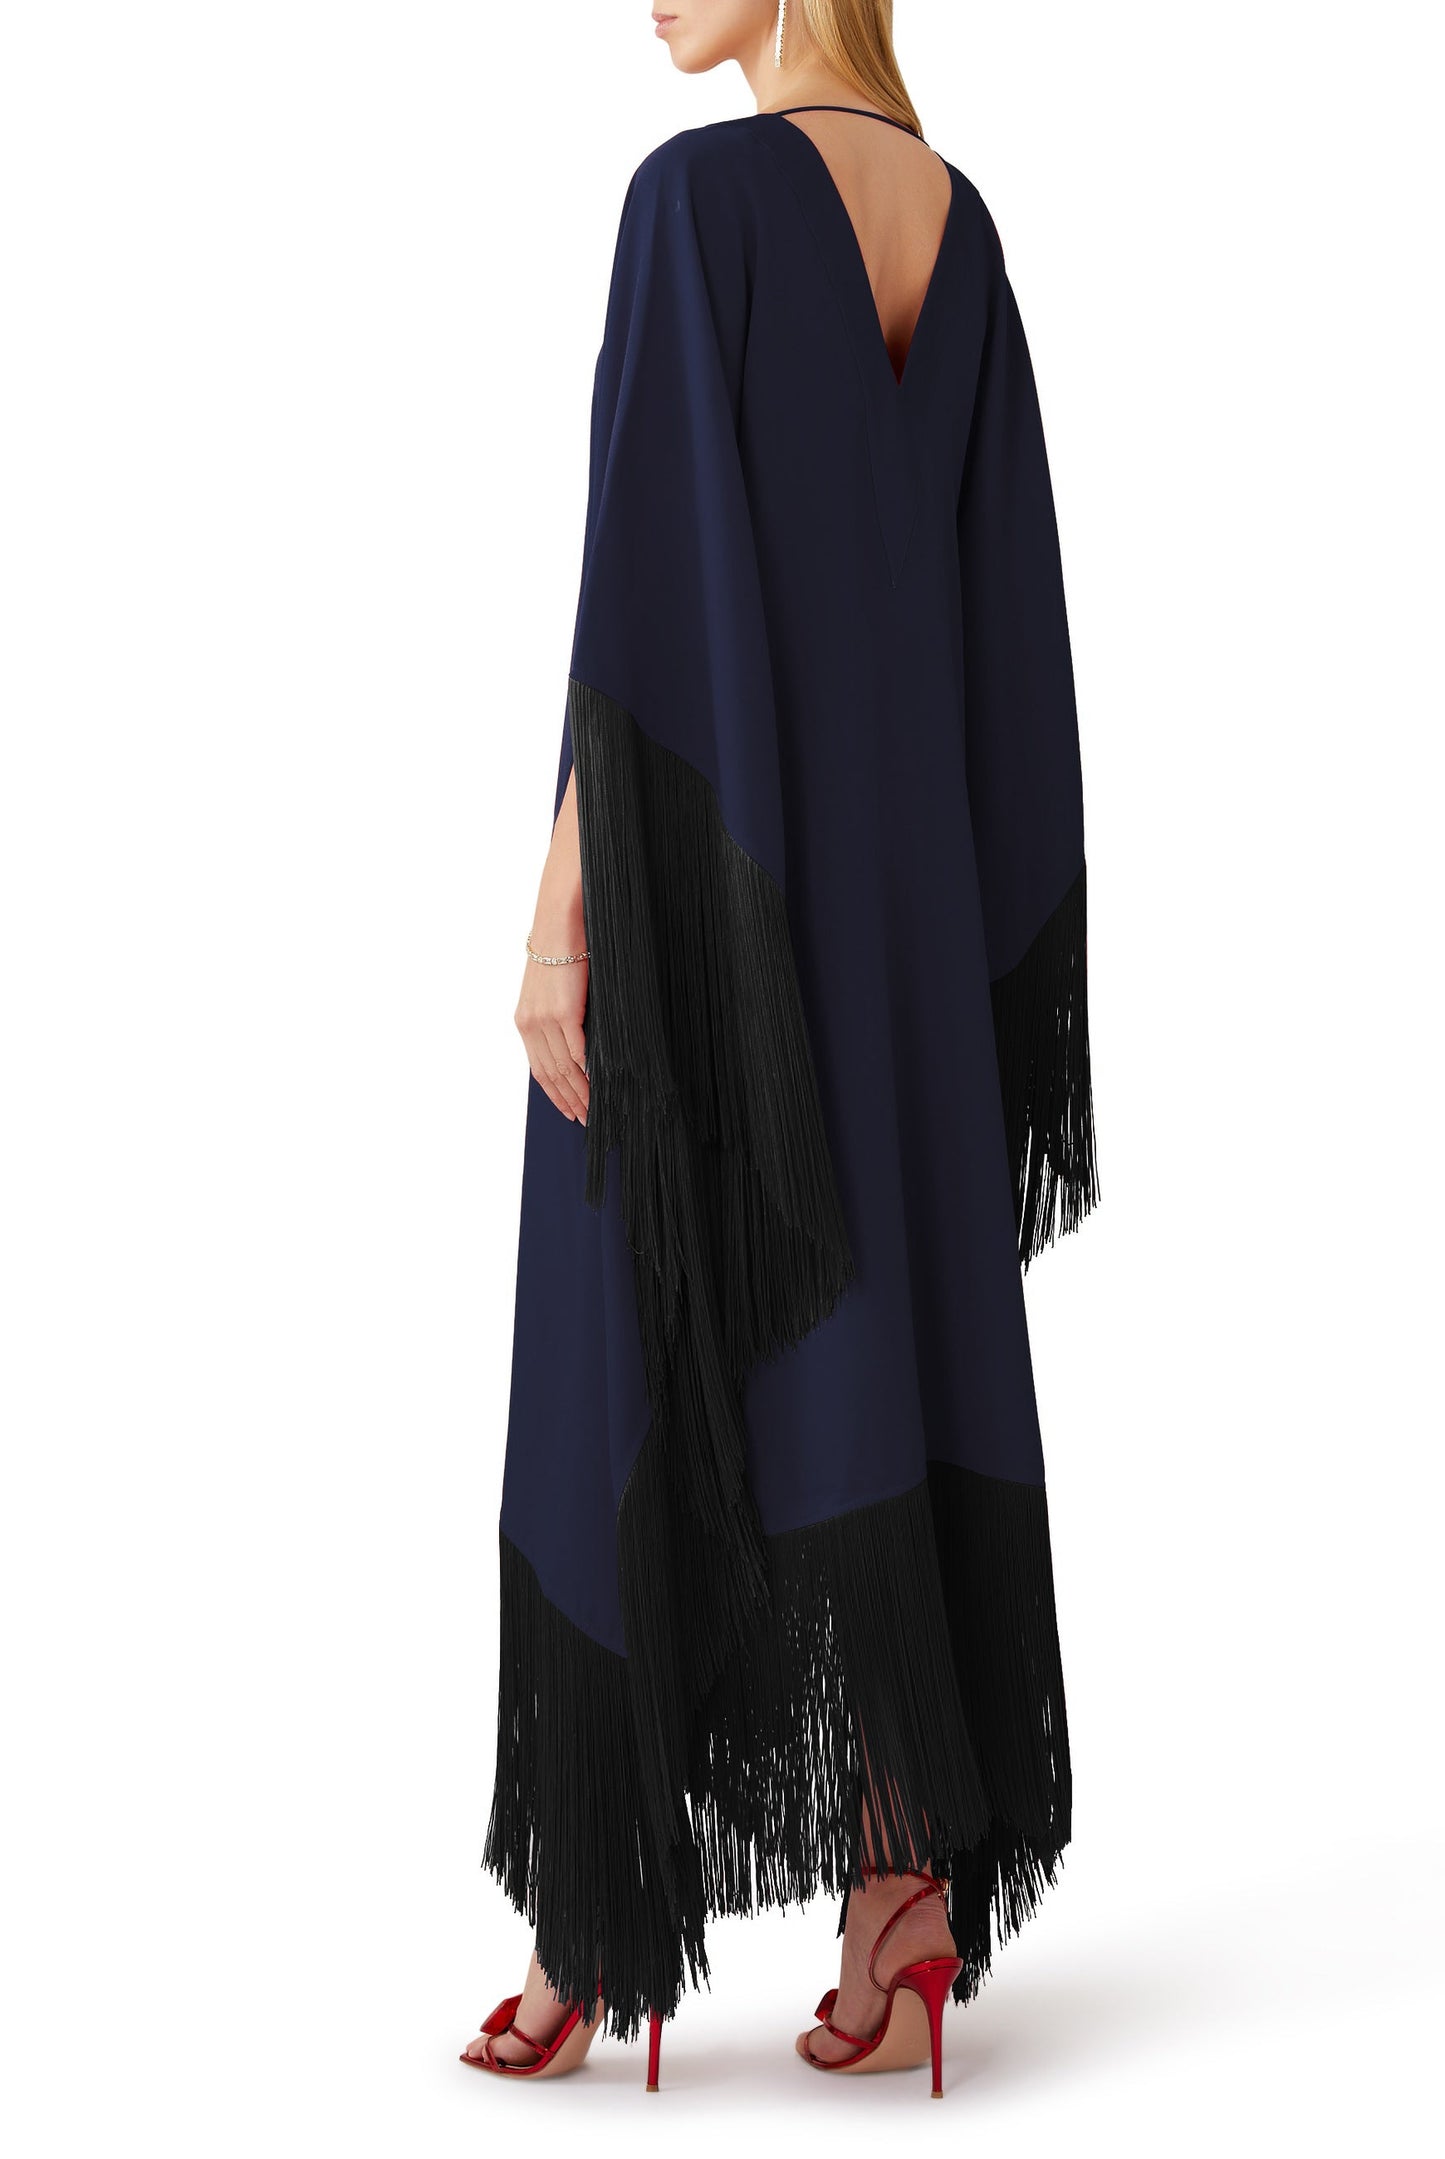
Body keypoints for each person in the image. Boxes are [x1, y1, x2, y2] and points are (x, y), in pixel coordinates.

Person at [461, 0, 1099, 2096]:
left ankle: (596, 1914)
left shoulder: (698, 200)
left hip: (718, 881)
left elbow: (640, 601)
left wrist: (562, 910)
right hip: (904, 915)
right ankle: (902, 1896)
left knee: (624, 1319)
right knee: (878, 1334)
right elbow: (998, 620)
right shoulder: (958, 225)